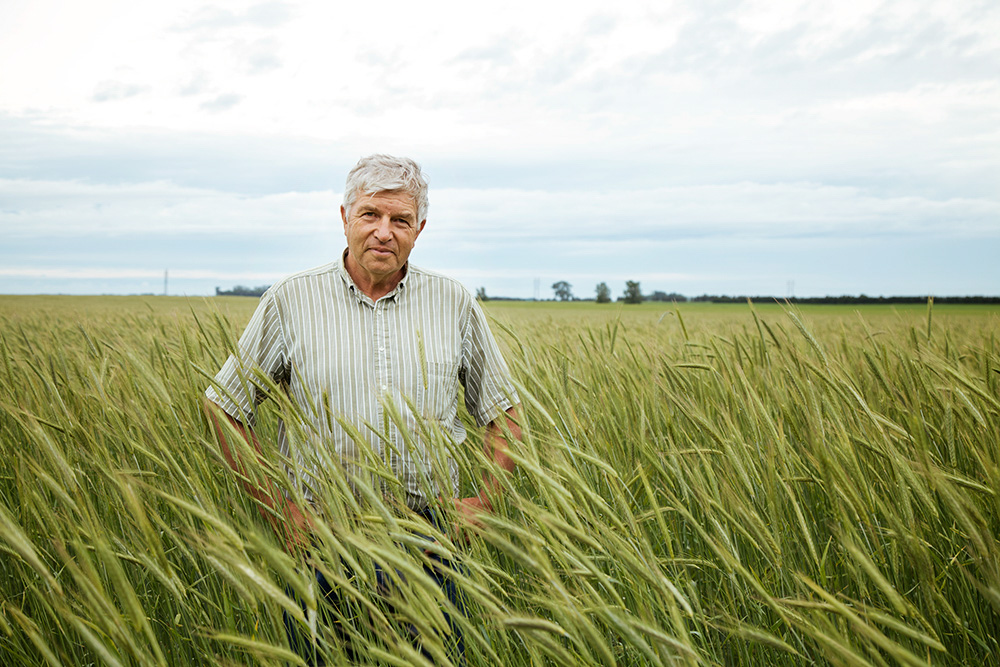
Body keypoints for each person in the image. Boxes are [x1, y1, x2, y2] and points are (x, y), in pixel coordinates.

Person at [203, 154, 521, 663]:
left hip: (429, 543)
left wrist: (481, 505)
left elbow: (503, 413)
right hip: (323, 541)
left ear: (420, 228)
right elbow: (225, 405)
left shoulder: (454, 302)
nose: (383, 232)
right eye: (370, 214)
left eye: (400, 220)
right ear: (344, 217)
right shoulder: (291, 300)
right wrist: (280, 509)